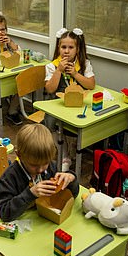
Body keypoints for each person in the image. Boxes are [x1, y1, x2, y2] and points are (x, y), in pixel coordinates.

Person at [0, 124, 79, 222]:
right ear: (19, 155)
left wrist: (71, 179)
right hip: (22, 224)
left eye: (45, 163)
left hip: (44, 221)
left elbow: (72, 195)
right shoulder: (10, 177)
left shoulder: (51, 168)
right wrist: (30, 194)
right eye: (34, 165)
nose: (40, 169)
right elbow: (4, 214)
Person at [45, 27, 96, 171]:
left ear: (77, 49)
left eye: (71, 47)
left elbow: (91, 85)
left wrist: (75, 73)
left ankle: (75, 146)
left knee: (85, 119)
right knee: (50, 121)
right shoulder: (52, 66)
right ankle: (64, 154)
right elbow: (50, 89)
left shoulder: (84, 63)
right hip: (58, 104)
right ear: (59, 48)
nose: (66, 51)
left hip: (78, 103)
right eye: (63, 47)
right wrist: (59, 71)